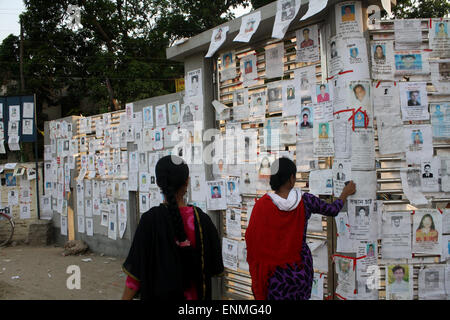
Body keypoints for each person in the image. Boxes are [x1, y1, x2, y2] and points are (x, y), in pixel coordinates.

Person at [245, 157, 356, 300]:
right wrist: (345, 193)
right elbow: (332, 209)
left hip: (274, 275)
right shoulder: (305, 200)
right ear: (292, 178)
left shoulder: (261, 206)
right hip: (300, 269)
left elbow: (251, 240)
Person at [122, 156, 224, 300]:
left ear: (158, 183)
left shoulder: (150, 220)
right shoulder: (203, 220)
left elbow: (135, 277)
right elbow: (214, 268)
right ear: (187, 182)